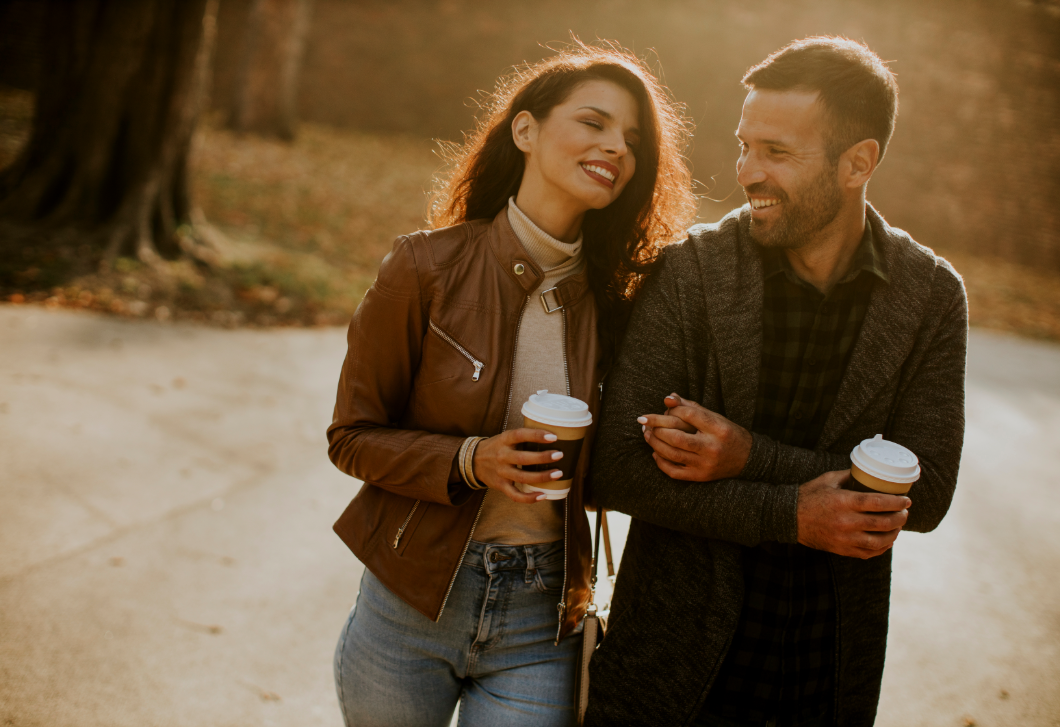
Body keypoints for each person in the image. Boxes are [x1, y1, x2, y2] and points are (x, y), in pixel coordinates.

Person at [584, 37, 968, 727]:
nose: (747, 172)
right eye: (745, 145)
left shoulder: (932, 295)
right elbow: (612, 468)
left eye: (777, 152)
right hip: (663, 678)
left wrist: (750, 458)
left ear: (858, 163)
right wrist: (788, 512)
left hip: (822, 677)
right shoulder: (693, 271)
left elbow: (928, 492)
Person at [326, 42, 694, 727]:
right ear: (525, 130)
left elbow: (620, 462)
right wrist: (472, 458)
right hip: (409, 601)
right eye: (594, 122)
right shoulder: (424, 269)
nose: (616, 146)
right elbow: (351, 437)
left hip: (541, 612)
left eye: (632, 139)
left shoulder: (624, 303)